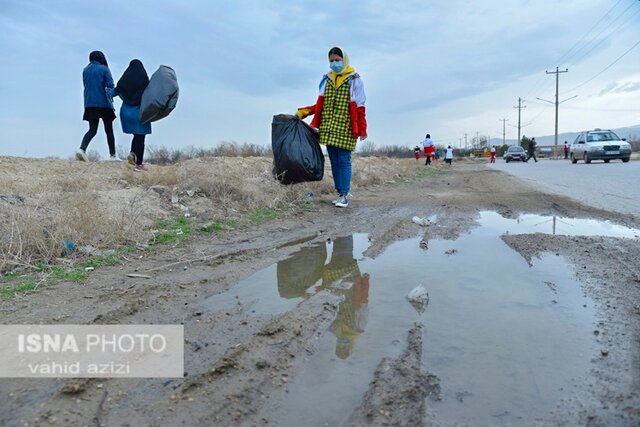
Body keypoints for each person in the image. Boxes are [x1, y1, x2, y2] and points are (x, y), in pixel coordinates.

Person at [296, 47, 367, 208]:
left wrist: (362, 129)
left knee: (344, 160)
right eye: (331, 61)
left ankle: (344, 194)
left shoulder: (355, 80)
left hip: (346, 127)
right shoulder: (326, 79)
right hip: (329, 125)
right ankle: (339, 193)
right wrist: (303, 112)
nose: (334, 63)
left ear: (344, 60)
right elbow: (320, 104)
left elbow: (360, 106)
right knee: (334, 161)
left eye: (337, 60)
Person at [76, 51, 119, 161]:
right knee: (109, 130)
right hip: (104, 104)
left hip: (89, 104)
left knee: (92, 130)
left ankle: (82, 149)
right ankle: (113, 155)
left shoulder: (85, 70)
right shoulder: (104, 69)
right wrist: (113, 96)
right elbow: (110, 86)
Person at [111, 59, 152, 171]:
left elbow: (113, 92)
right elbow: (152, 94)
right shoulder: (144, 80)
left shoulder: (124, 80)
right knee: (141, 137)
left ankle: (132, 153)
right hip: (139, 112)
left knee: (136, 135)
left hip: (126, 112)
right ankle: (139, 164)